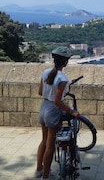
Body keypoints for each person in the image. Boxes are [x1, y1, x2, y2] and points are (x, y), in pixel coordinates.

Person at [35, 46, 80, 179]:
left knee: (43, 140)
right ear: (65, 62)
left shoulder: (46, 72)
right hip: (53, 111)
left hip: (43, 107)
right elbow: (57, 102)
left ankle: (39, 169)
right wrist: (72, 112)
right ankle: (46, 176)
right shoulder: (63, 78)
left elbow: (40, 92)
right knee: (50, 146)